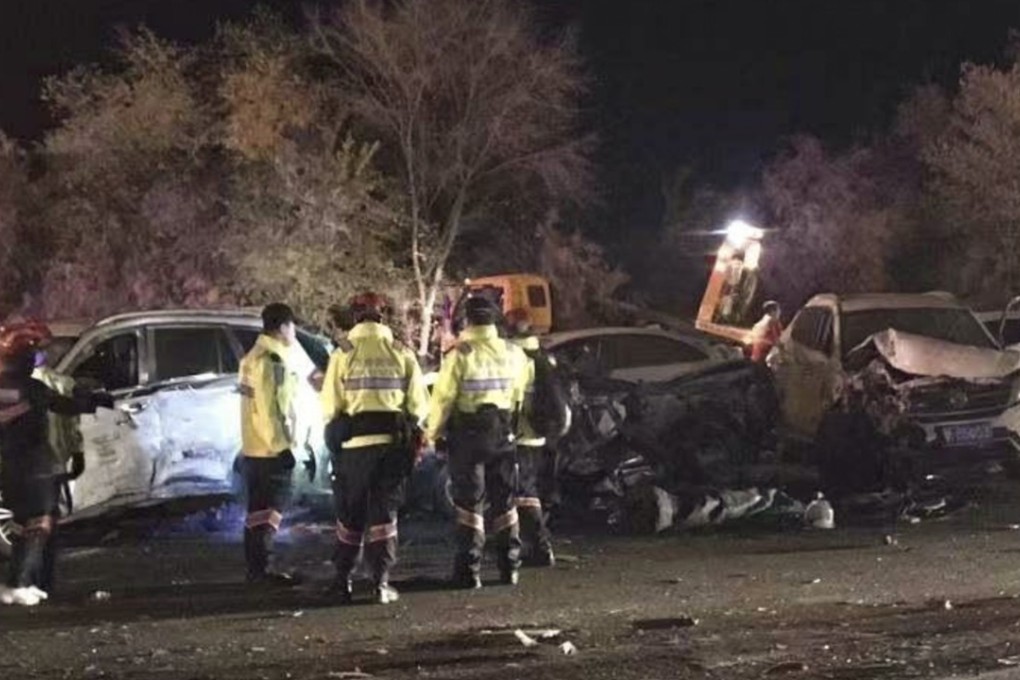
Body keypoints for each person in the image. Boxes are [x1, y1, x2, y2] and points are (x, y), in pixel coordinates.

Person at [321, 292, 428, 605]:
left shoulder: (343, 352)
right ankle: (380, 583)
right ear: (383, 317)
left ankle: (342, 582)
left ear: (354, 317)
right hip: (392, 448)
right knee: (384, 516)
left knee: (350, 515)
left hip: (353, 449)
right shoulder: (401, 352)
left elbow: (330, 406)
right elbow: (419, 406)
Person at [0, 322, 113, 607]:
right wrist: (96, 402)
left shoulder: (8, 386)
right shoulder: (32, 387)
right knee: (40, 523)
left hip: (12, 463)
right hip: (33, 463)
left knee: (26, 523)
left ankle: (23, 581)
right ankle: (19, 583)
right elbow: (63, 404)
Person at [427, 296, 528, 589]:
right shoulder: (513, 352)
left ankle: (469, 571)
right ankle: (510, 567)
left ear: (466, 320)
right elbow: (519, 395)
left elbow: (443, 400)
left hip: (469, 436)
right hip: (503, 432)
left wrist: (433, 434)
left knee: (470, 504)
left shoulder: (460, 354)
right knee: (505, 501)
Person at [238, 303, 309, 585]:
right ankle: (262, 569)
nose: (294, 333)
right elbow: (270, 409)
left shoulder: (251, 358)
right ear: (282, 328)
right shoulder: (272, 361)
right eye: (292, 327)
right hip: (270, 450)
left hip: (253, 446)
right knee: (269, 511)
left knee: (257, 512)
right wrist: (281, 447)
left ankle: (256, 568)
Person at [504, 308, 555, 568]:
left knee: (522, 491)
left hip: (519, 432)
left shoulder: (511, 356)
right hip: (539, 434)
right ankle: (528, 544)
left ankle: (540, 546)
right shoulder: (542, 355)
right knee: (526, 488)